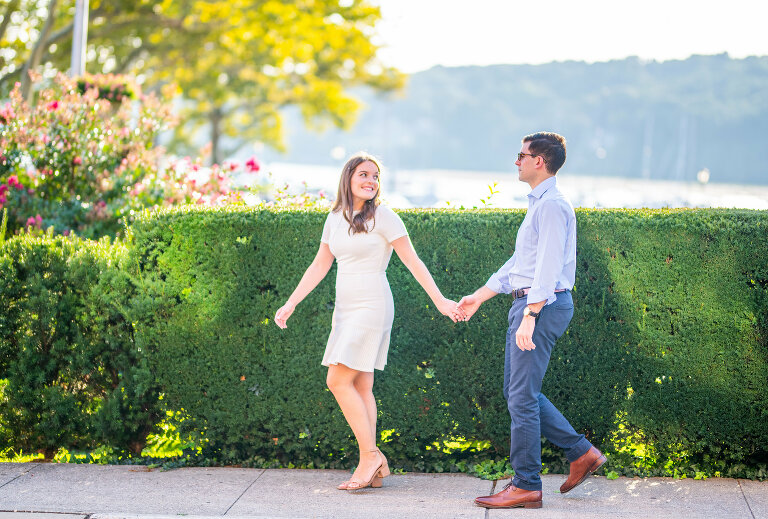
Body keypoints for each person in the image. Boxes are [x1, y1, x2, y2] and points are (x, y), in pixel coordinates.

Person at [274, 152, 463, 491]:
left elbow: (413, 262)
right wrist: (290, 303)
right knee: (360, 386)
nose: (370, 181)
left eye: (375, 177)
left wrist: (440, 301)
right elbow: (319, 265)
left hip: (372, 305)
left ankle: (369, 455)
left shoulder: (386, 217)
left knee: (336, 380)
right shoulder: (335, 217)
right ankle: (375, 466)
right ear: (348, 177)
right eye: (364, 174)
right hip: (345, 309)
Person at [457, 132, 605, 509]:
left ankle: (526, 485)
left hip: (542, 306)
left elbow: (548, 269)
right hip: (531, 304)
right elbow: (522, 265)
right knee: (519, 393)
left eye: (521, 155)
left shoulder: (553, 205)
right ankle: (580, 452)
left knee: (521, 397)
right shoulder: (541, 204)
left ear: (539, 161)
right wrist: (479, 296)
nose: (516, 161)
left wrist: (531, 314)